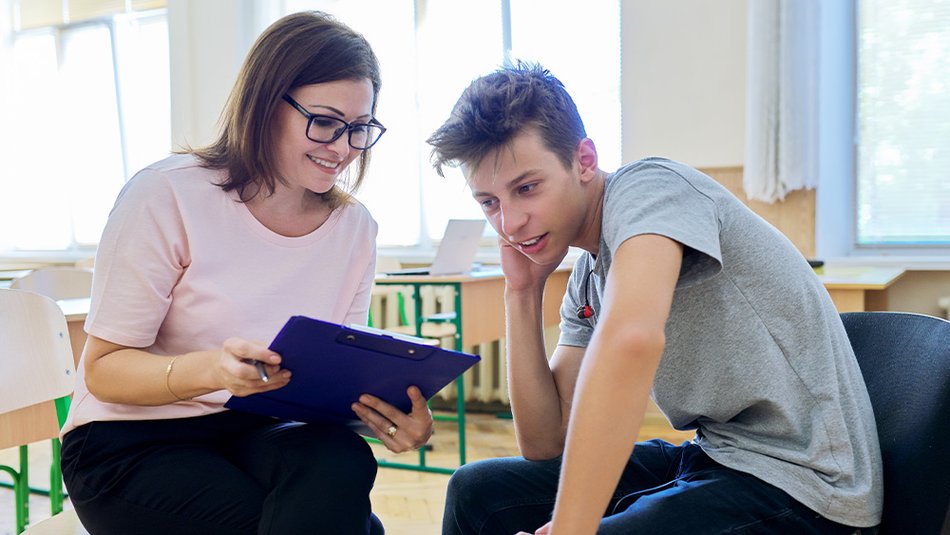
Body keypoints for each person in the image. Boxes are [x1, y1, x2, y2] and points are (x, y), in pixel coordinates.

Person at [427, 63, 883, 534]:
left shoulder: (650, 188)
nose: (511, 222)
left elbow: (632, 340)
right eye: (489, 202)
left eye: (527, 188)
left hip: (805, 484)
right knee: (477, 490)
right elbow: (546, 441)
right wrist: (522, 292)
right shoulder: (590, 269)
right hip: (716, 455)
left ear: (584, 160)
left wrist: (569, 529)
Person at [59, 11, 433, 535]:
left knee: (342, 455)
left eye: (358, 129)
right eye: (324, 122)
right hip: (130, 440)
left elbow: (329, 386)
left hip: (258, 429)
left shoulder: (353, 229)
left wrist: (389, 416)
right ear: (264, 103)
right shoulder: (166, 195)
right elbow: (102, 371)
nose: (343, 148)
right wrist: (211, 370)